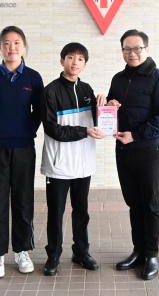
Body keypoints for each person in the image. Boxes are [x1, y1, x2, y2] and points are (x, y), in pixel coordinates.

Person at [0, 26, 44, 278]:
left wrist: (25, 131)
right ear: (0, 48)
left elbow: (39, 112)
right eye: (6, 43)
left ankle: (22, 250)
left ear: (24, 47)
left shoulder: (33, 78)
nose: (11, 47)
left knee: (24, 200)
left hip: (24, 147)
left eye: (16, 43)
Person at [106, 29, 159, 280]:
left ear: (146, 49)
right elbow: (110, 111)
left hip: (149, 150)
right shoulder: (118, 78)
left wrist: (135, 135)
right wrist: (109, 106)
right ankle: (138, 250)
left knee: (150, 203)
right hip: (124, 150)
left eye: (137, 48)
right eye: (127, 49)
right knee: (133, 202)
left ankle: (152, 254)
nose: (132, 53)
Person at [39, 42, 104, 276]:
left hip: (83, 164)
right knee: (56, 213)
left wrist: (105, 107)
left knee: (81, 211)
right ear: (62, 60)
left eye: (80, 59)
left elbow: (96, 122)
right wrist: (84, 131)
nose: (75, 62)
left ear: (85, 64)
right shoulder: (50, 91)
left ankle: (81, 252)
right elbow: (52, 129)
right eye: (70, 57)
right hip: (58, 165)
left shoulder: (87, 89)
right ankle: (53, 256)